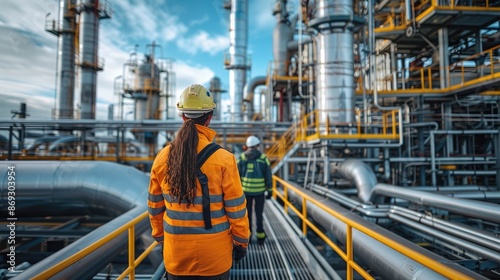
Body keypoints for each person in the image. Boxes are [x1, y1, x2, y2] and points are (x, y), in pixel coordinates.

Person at [148, 84, 250, 279]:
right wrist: (241, 242)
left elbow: (155, 208)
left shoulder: (162, 159)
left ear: (182, 116)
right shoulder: (224, 160)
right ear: (209, 118)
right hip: (215, 259)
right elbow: (236, 209)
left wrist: (162, 240)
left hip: (176, 257)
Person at [237, 135, 272, 245]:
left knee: (247, 215)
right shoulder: (263, 158)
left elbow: (236, 176)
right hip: (260, 192)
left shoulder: (241, 158)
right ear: (257, 145)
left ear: (247, 146)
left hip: (245, 192)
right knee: (259, 214)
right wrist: (270, 190)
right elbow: (268, 176)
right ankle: (260, 237)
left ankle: (249, 236)